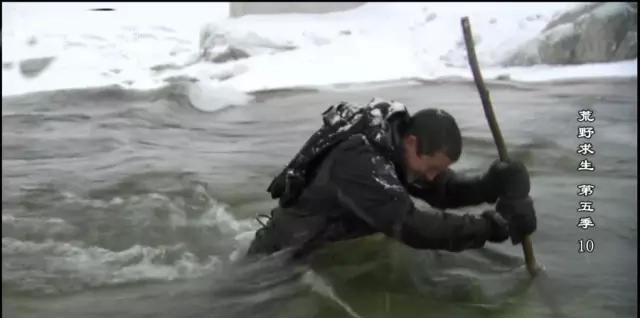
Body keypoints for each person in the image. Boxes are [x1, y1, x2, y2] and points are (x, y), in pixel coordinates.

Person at [247, 98, 536, 258]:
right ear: (412, 143)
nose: (436, 176)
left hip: (329, 249)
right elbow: (410, 226)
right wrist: (490, 227)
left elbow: (442, 191)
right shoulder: (359, 162)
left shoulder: (393, 145)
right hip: (283, 259)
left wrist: (490, 184)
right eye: (433, 167)